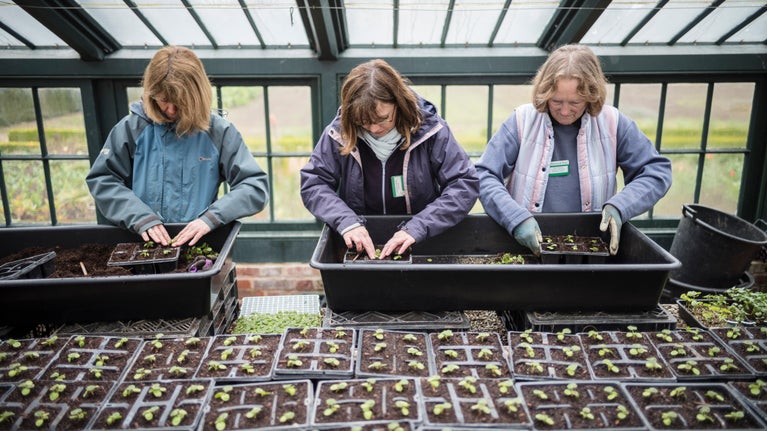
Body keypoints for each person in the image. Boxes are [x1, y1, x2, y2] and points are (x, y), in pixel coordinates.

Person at [476, 44, 672, 256]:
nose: (565, 110)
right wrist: (515, 218)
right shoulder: (522, 121)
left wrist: (620, 206)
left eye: (575, 102)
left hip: (590, 252)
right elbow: (484, 174)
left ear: (591, 95)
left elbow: (656, 172)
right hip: (526, 249)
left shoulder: (612, 123)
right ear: (544, 92)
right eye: (556, 101)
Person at [86, 46, 268, 247]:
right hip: (141, 244)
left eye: (180, 102)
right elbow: (103, 179)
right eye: (163, 100)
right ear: (151, 93)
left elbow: (254, 186)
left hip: (197, 244)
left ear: (196, 96)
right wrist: (140, 217)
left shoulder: (218, 132)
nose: (170, 110)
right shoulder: (132, 128)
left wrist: (211, 218)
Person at [300, 59, 479, 259]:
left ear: (398, 102)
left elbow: (463, 184)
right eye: (364, 122)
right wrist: (346, 222)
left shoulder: (432, 131)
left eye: (383, 118)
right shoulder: (338, 133)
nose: (375, 129)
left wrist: (418, 227)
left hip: (421, 243)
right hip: (360, 249)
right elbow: (314, 183)